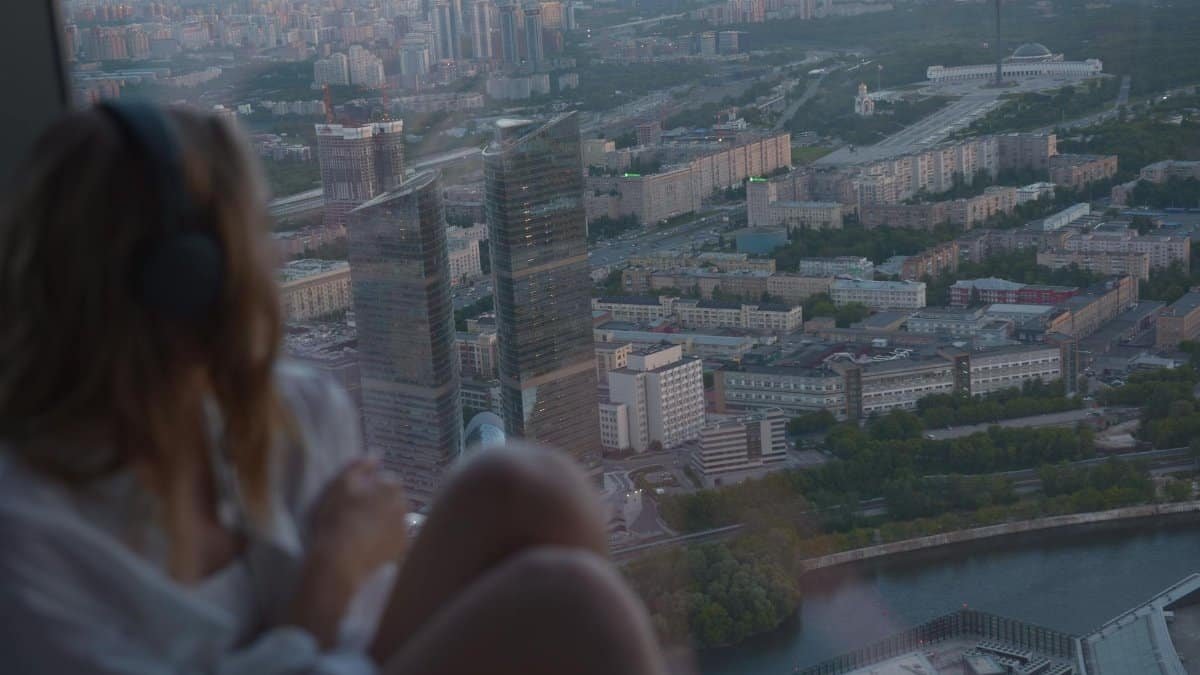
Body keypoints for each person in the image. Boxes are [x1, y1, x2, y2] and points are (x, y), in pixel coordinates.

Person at [0, 102, 669, 675]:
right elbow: (346, 614)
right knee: (579, 607)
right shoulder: (25, 541)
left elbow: (362, 638)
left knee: (530, 487)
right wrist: (330, 572)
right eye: (254, 234)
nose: (277, 258)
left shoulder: (289, 415)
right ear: (185, 282)